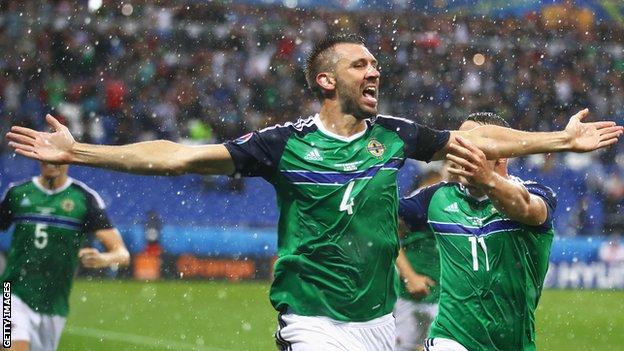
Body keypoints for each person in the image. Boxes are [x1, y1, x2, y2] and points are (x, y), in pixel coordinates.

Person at [5, 34, 622, 350]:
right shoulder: (283, 144)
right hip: (313, 323)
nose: (375, 70)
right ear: (326, 80)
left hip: (379, 325)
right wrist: (81, 150)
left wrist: (558, 141)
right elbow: (178, 155)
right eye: (361, 65)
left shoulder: (396, 138)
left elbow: (473, 133)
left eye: (376, 64)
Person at [400, 112, 558, 351]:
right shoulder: (437, 197)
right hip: (449, 338)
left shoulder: (536, 193)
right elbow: (382, 219)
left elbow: (526, 208)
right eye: (459, 140)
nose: (459, 149)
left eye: (473, 142)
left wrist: (487, 179)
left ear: (502, 154)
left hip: (513, 342)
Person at [0, 161, 130, 351]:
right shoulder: (18, 193)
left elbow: (122, 254)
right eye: (45, 156)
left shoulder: (83, 198)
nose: (50, 162)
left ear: (67, 158)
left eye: (56, 156)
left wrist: (103, 259)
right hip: (11, 295)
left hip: (53, 304)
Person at [394, 170, 443, 351]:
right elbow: (386, 235)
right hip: (409, 294)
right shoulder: (414, 207)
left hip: (446, 298)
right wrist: (409, 276)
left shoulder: (462, 204)